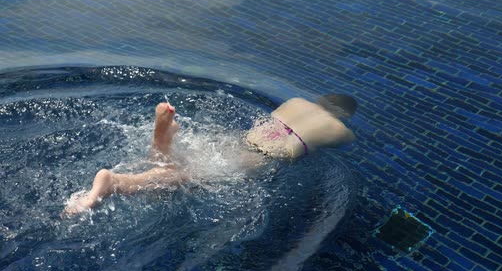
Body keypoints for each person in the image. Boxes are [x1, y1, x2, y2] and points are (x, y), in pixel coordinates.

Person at [63, 94, 357, 215]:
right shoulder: (341, 129)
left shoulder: (296, 100)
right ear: (342, 114)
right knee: (186, 176)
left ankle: (164, 136)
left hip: (241, 139)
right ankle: (116, 183)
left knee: (176, 165)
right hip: (264, 155)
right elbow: (346, 140)